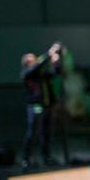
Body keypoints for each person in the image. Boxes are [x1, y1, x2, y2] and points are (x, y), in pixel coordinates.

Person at [19, 42, 61, 170]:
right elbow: (38, 66)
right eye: (32, 58)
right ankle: (26, 158)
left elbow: (55, 73)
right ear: (27, 62)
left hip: (47, 105)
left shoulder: (41, 74)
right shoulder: (27, 73)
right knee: (32, 132)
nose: (35, 59)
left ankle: (46, 157)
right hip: (36, 105)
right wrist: (50, 52)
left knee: (46, 132)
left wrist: (55, 62)